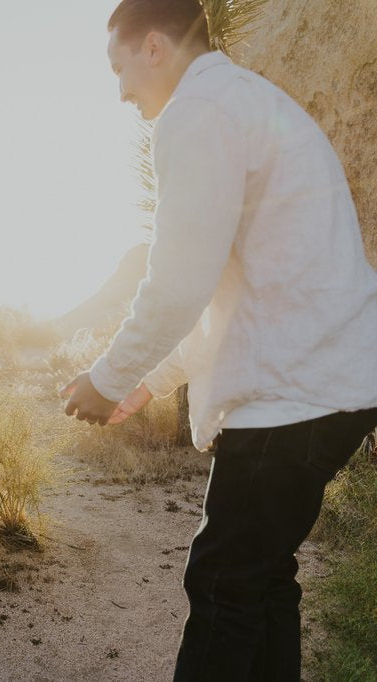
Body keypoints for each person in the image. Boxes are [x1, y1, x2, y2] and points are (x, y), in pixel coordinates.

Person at [61, 0, 377, 679]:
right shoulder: (248, 102)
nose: (119, 90)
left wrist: (108, 378)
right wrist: (149, 382)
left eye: (119, 67)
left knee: (223, 584)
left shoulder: (198, 111)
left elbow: (178, 281)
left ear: (153, 48)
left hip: (290, 397)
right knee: (261, 579)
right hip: (334, 384)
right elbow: (230, 293)